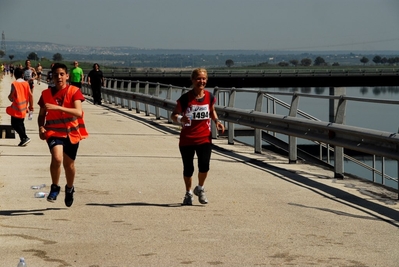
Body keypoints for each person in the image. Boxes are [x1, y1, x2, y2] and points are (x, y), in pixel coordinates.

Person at [171, 68, 225, 205]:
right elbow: (174, 114)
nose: (201, 81)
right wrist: (180, 119)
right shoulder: (185, 98)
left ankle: (200, 188)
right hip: (187, 139)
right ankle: (188, 193)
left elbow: (212, 110)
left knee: (204, 165)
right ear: (193, 80)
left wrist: (217, 121)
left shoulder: (209, 97)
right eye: (198, 79)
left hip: (204, 138)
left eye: (204, 79)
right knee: (188, 168)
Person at [37, 63, 88, 207]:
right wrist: (41, 127)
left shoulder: (74, 91)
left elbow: (78, 112)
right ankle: (55, 187)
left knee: (69, 165)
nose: (58, 77)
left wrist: (58, 107)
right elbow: (41, 115)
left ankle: (69, 188)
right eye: (55, 75)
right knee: (57, 158)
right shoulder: (46, 94)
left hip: (71, 133)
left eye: (61, 74)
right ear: (51, 77)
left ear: (67, 76)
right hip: (53, 132)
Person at [6, 68, 34, 146]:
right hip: (24, 107)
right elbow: (30, 95)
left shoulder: (14, 84)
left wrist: (9, 97)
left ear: (15, 75)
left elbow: (11, 95)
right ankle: (23, 139)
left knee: (14, 124)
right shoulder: (26, 83)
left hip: (16, 108)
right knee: (21, 124)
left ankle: (25, 137)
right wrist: (31, 106)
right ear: (22, 75)